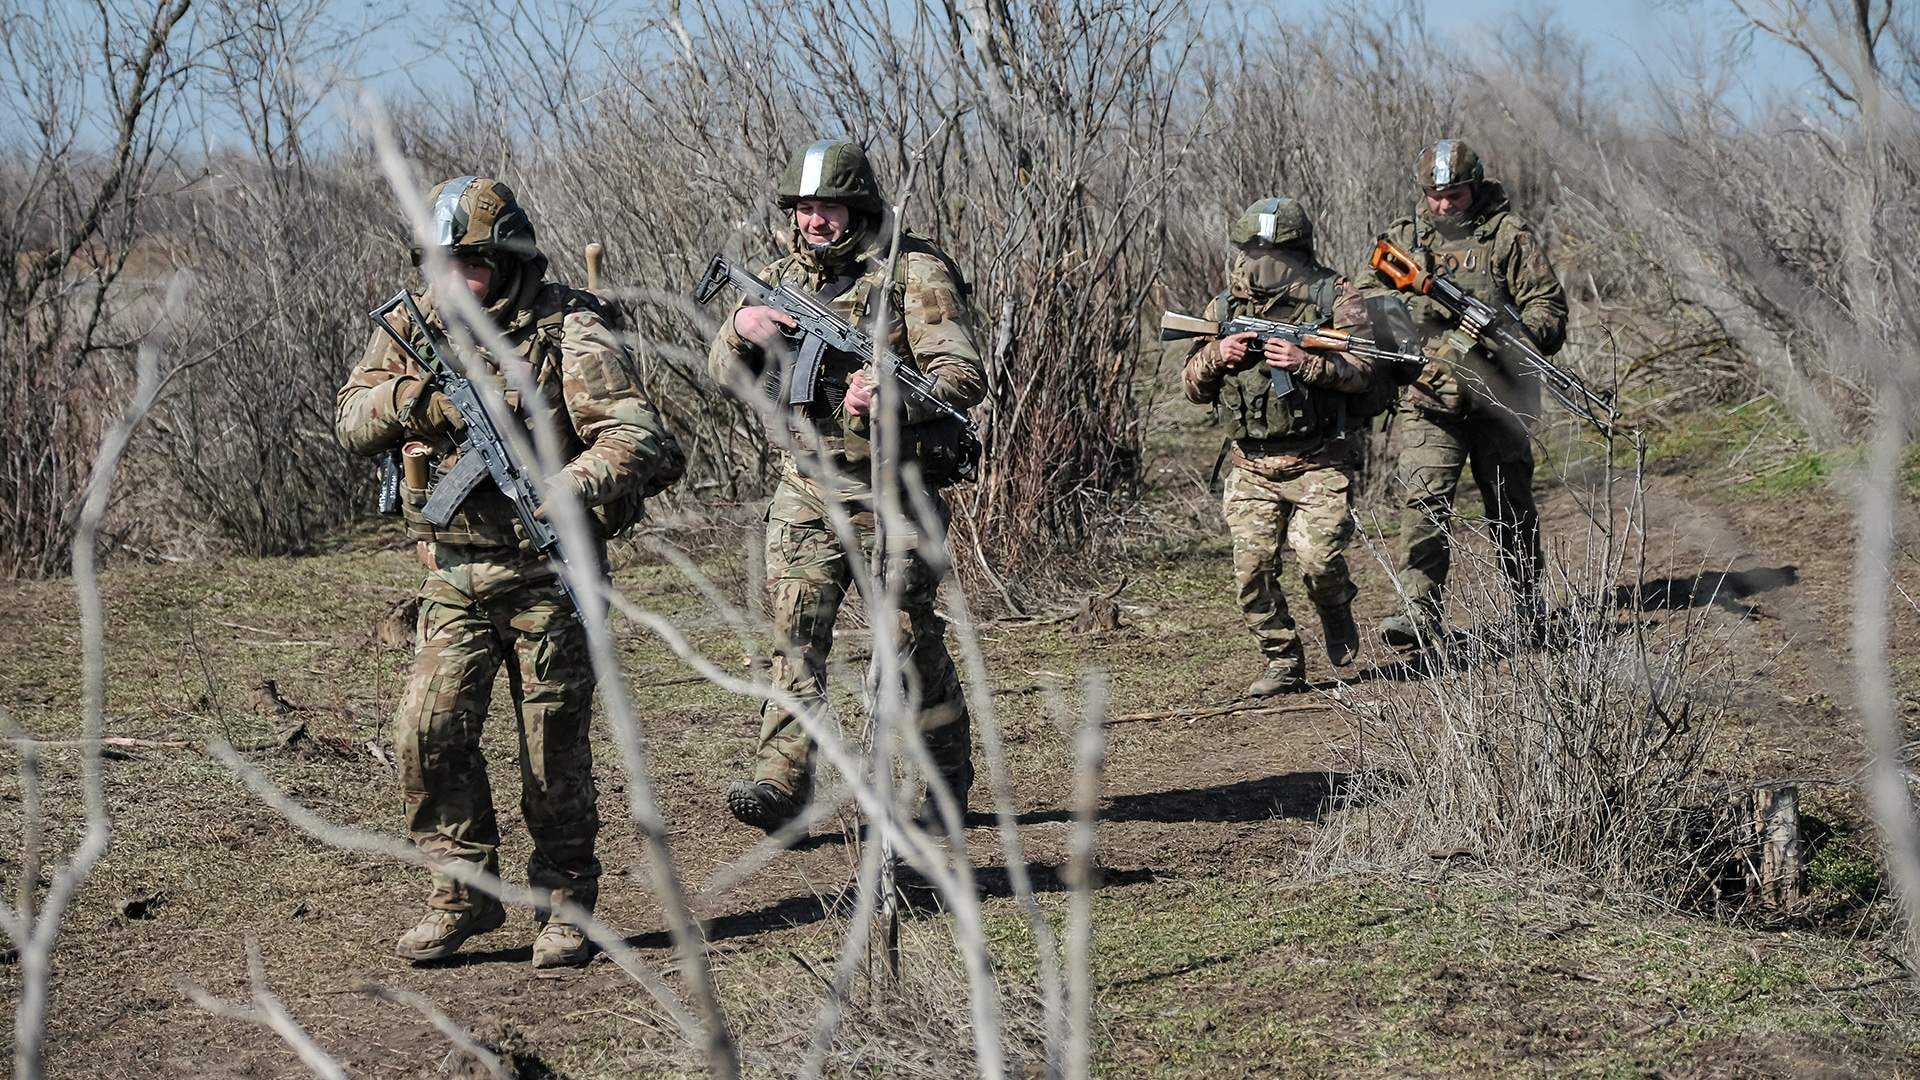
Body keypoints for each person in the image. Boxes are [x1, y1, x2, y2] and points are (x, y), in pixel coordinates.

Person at [335, 176, 677, 967]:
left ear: (507, 257)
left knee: (550, 751)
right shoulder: (413, 325)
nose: (452, 278)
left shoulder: (569, 328)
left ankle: (566, 902)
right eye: (439, 262)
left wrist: (566, 489)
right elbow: (351, 417)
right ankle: (461, 894)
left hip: (548, 575)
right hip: (452, 570)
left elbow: (640, 437)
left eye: (469, 262)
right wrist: (425, 401)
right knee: (426, 733)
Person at [705, 140, 985, 833]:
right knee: (794, 636)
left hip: (896, 488)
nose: (814, 221)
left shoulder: (913, 272)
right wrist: (742, 329)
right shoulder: (778, 277)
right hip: (806, 484)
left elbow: (963, 378)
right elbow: (723, 370)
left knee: (908, 641)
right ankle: (783, 782)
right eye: (804, 207)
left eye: (827, 206)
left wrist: (896, 391)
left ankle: (945, 778)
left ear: (856, 206)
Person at [1362, 140, 1569, 648]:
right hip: (1431, 397)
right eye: (1434, 194)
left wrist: (1517, 332)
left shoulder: (1507, 236)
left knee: (1511, 504)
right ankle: (1419, 613)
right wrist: (1405, 326)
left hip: (1500, 396)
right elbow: (1367, 297)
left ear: (1473, 188)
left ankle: (1525, 605)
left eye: (1453, 194)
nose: (1443, 204)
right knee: (1424, 500)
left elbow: (1549, 308)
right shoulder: (1403, 240)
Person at [1174, 197, 1378, 697]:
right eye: (1255, 250)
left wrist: (1305, 362)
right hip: (1251, 464)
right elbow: (1191, 387)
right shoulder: (1223, 308)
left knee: (1318, 562)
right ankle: (1282, 660)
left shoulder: (1336, 297)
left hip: (1319, 459)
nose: (1263, 262)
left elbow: (1365, 372)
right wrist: (1217, 356)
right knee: (1253, 571)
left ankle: (1334, 610)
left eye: (1276, 251)